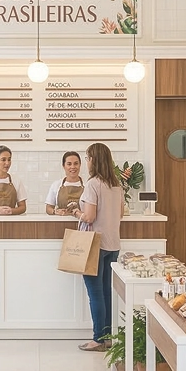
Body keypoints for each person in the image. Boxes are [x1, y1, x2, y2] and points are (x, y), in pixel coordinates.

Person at [74, 143, 124, 352]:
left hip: (95, 245)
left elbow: (90, 216)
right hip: (113, 245)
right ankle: (107, 337)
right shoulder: (117, 184)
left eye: (87, 158)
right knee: (105, 292)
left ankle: (97, 339)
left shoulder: (93, 184)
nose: (86, 162)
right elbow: (120, 213)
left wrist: (76, 212)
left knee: (95, 293)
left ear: (93, 160)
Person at [45, 151, 85, 215]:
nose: (73, 167)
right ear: (63, 166)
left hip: (82, 222)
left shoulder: (87, 185)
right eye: (69, 164)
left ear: (80, 165)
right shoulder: (56, 185)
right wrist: (55, 211)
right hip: (61, 222)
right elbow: (48, 208)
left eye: (76, 163)